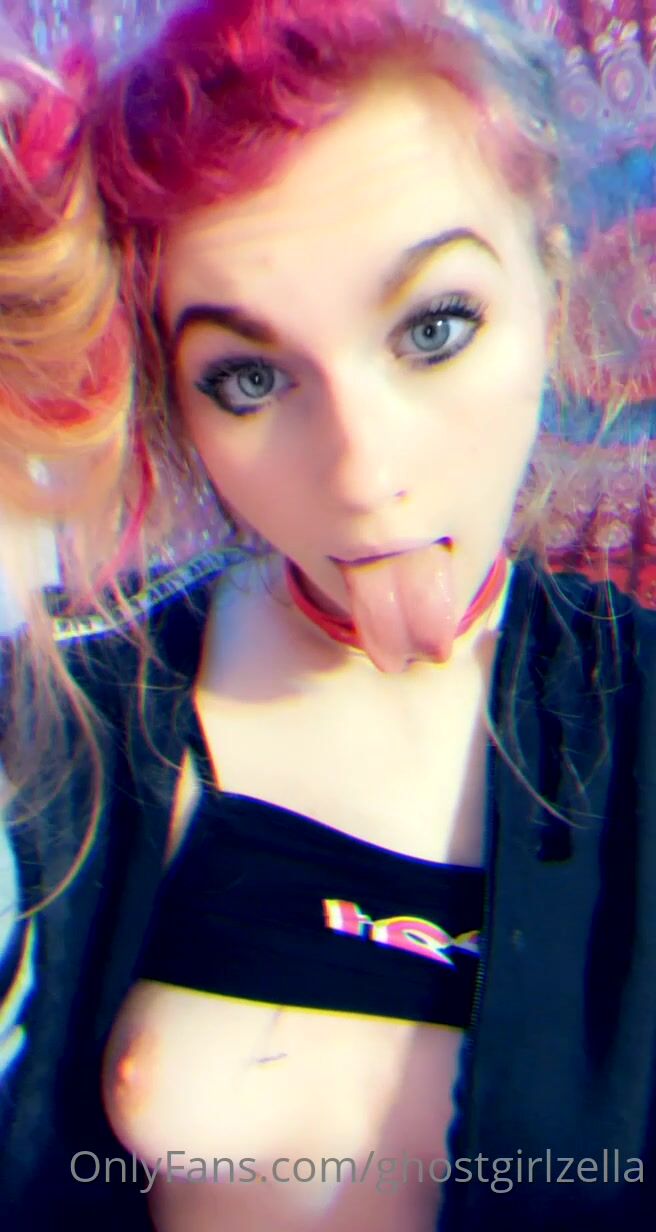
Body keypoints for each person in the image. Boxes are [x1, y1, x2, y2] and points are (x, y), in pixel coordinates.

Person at [3, 1, 656, 1229]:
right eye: (249, 378)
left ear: (551, 270)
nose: (360, 472)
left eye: (432, 328)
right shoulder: (67, 722)